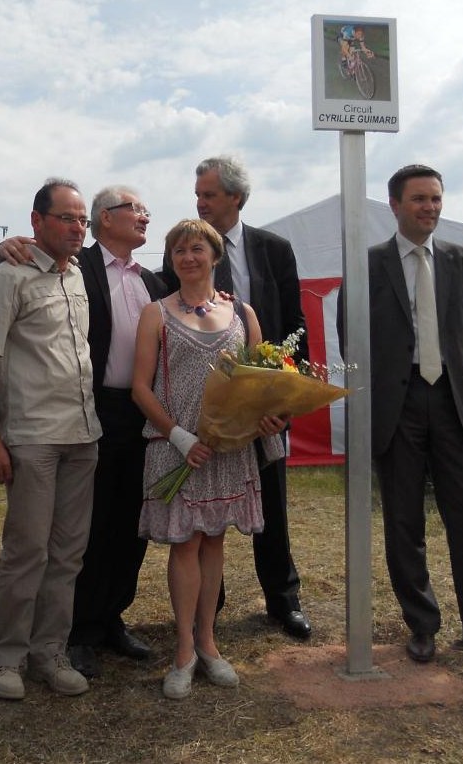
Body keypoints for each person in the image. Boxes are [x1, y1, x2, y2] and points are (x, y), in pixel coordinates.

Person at [336, 164, 463, 665]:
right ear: (395, 205)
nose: (430, 208)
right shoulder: (368, 263)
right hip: (395, 409)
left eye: (437, 199)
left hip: (451, 403)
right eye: (419, 199)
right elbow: (350, 334)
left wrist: (445, 374)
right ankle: (421, 625)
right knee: (404, 523)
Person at [0, 187, 166, 680]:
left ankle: (101, 622)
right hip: (71, 416)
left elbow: (189, 296)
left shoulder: (148, 278)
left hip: (128, 416)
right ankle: (58, 638)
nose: (76, 227)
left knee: (119, 529)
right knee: (53, 541)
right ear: (106, 219)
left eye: (79, 220)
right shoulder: (72, 266)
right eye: (136, 209)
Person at [133, 218, 283, 699]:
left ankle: (209, 642)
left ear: (215, 256)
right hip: (178, 450)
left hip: (226, 451)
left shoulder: (244, 313)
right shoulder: (154, 313)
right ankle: (182, 650)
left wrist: (267, 416)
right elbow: (141, 387)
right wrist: (179, 437)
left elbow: (260, 384)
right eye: (178, 250)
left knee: (214, 541)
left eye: (197, 248)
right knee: (185, 545)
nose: (188, 257)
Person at [165, 155, 311, 641]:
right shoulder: (187, 249)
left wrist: (283, 400)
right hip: (203, 411)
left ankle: (282, 600)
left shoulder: (273, 249)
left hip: (262, 409)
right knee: (207, 511)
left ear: (236, 199)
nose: (200, 202)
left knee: (272, 506)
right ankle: (210, 606)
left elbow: (295, 326)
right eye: (198, 193)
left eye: (208, 194)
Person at [0, 178, 102, 701]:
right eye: (66, 218)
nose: (76, 228)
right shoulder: (10, 276)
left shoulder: (78, 276)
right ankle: (4, 657)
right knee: (27, 551)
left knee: (68, 553)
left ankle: (49, 651)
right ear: (37, 221)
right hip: (30, 436)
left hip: (83, 433)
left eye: (82, 220)